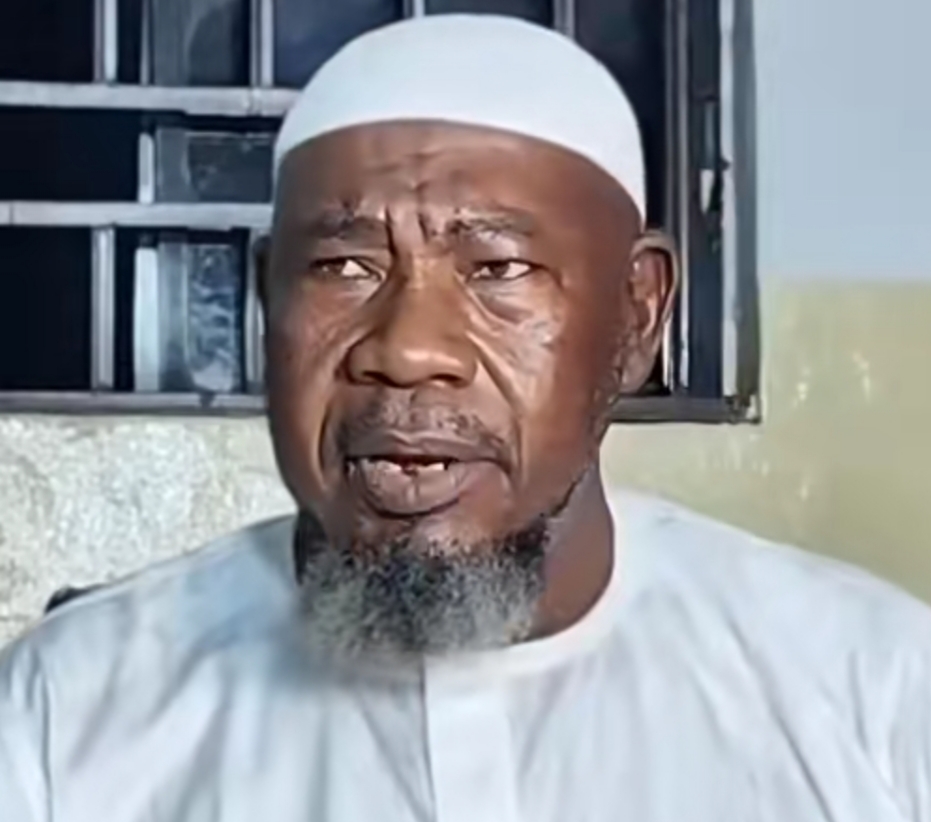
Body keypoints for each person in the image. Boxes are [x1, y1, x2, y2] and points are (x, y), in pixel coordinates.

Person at [1, 14, 929, 822]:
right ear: (264, 301)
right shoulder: (67, 714)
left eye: (498, 270)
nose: (407, 350)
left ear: (637, 316)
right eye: (343, 268)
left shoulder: (874, 692)